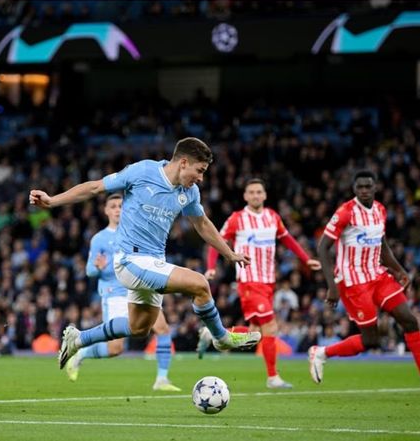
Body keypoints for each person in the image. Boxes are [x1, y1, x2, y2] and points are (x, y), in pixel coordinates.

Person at [29, 137, 261, 370]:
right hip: (130, 260)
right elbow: (95, 187)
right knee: (199, 284)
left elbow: (201, 223)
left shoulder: (189, 193)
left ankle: (78, 339)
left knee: (139, 328)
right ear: (183, 163)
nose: (201, 178)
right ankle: (221, 338)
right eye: (199, 171)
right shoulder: (143, 171)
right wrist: (52, 201)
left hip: (154, 261)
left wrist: (229, 253)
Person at [310, 170, 420, 396]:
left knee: (409, 320)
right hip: (353, 281)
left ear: (375, 187)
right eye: (360, 187)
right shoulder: (345, 212)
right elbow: (322, 248)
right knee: (370, 340)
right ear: (354, 190)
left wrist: (398, 270)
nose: (364, 191)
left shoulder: (380, 210)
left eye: (368, 186)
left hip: (378, 276)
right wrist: (332, 285)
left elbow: (381, 244)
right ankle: (322, 353)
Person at [200, 178, 321, 389]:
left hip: (268, 282)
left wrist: (305, 258)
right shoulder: (237, 219)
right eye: (252, 192)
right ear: (245, 196)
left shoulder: (273, 217)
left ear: (264, 195)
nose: (256, 195)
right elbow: (216, 241)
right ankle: (273, 377)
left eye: (259, 192)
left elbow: (288, 239)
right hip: (249, 281)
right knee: (271, 328)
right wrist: (211, 266)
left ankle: (212, 332)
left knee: (253, 335)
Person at [66, 193, 181, 391]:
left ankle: (162, 379)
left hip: (139, 289)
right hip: (115, 293)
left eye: (121, 205)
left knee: (162, 329)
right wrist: (98, 267)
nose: (118, 209)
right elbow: (89, 271)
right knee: (115, 348)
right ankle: (81, 353)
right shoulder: (100, 238)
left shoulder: (134, 232)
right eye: (113, 206)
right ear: (106, 210)